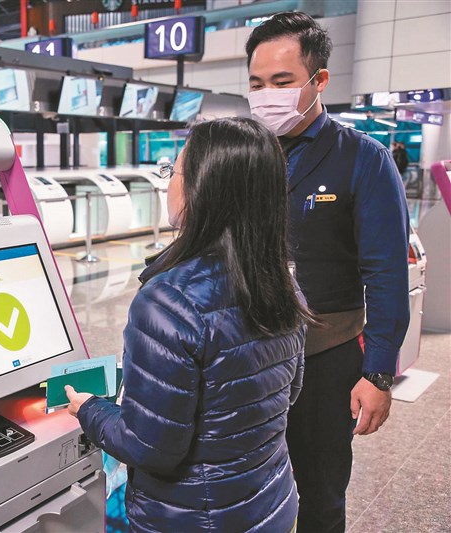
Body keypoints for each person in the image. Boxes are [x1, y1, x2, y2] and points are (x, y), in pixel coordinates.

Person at [65, 118, 310, 532]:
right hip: (273, 506)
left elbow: (150, 448)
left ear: (202, 189)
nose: (168, 184)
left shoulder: (168, 303)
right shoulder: (283, 285)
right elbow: (287, 393)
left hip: (195, 519)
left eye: (174, 171)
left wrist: (89, 409)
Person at [245, 12, 410, 532]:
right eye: (256, 84)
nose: (266, 95)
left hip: (324, 359)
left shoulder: (363, 158)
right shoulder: (244, 155)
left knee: (319, 493)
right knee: (244, 490)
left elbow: (386, 274)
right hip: (246, 360)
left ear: (319, 81)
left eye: (281, 82)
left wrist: (378, 372)